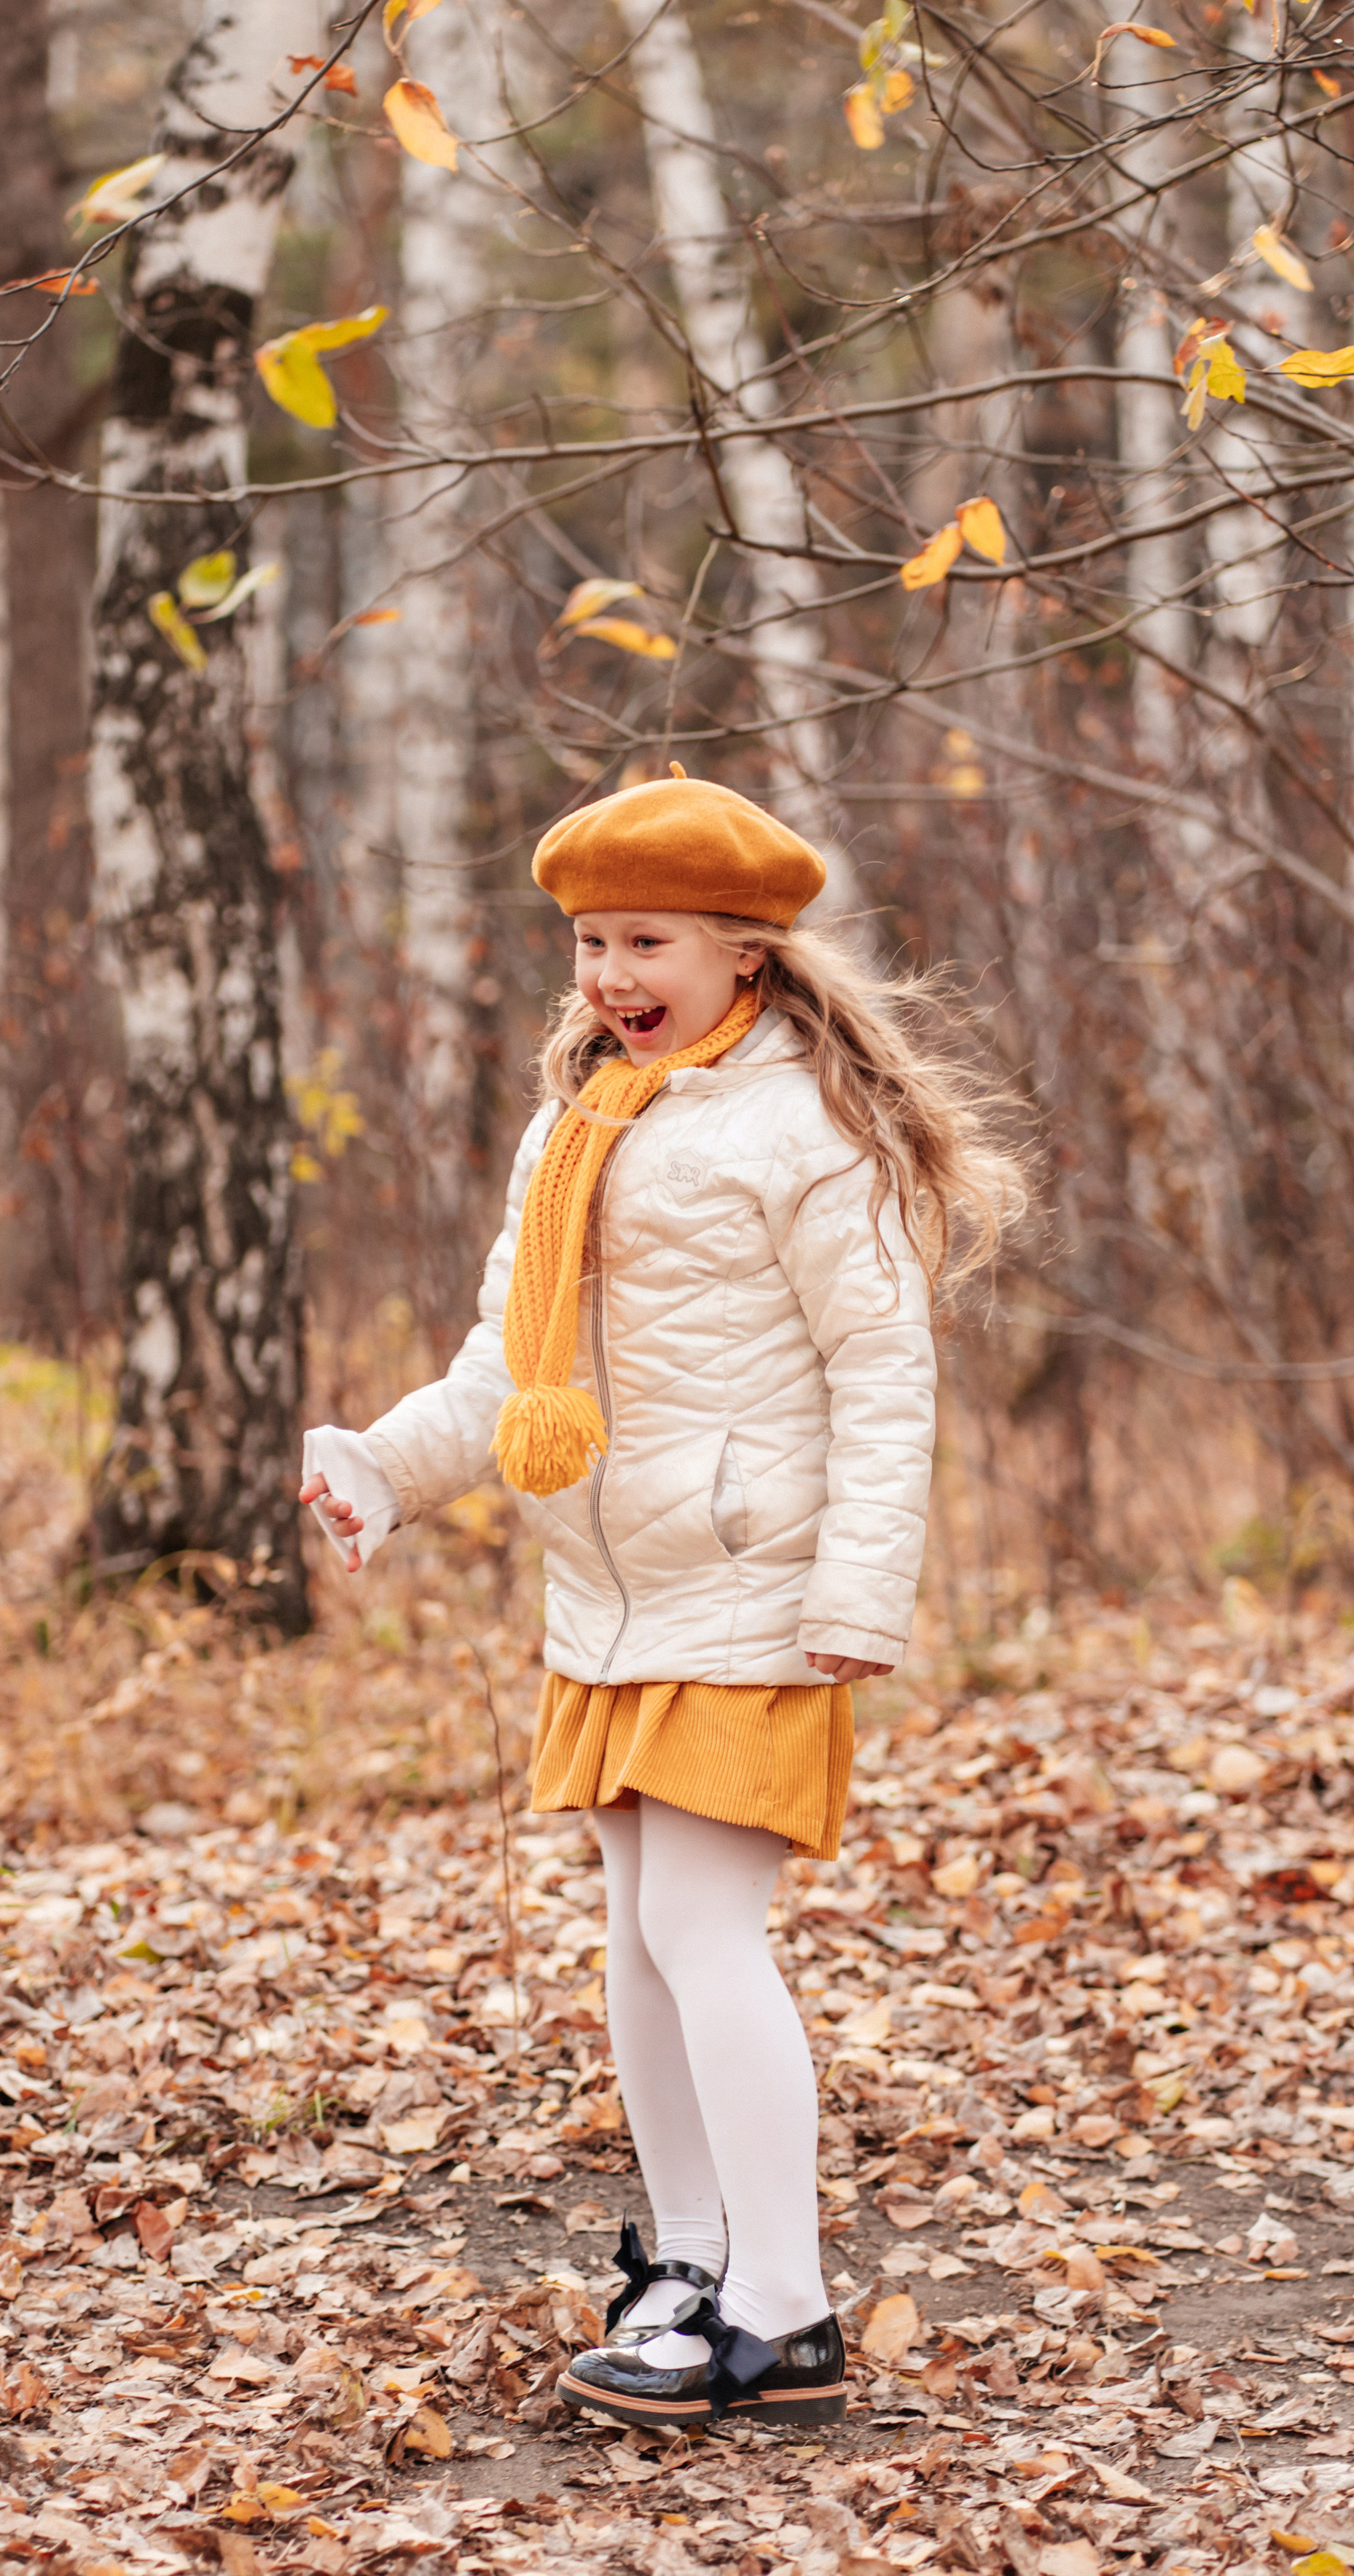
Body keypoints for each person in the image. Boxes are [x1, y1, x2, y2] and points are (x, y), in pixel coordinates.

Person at [299, 768, 1022, 2431]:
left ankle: (784, 2305)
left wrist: (858, 1585)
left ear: (744, 955)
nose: (608, 974)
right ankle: (690, 2265)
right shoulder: (579, 1126)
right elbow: (508, 1367)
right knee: (635, 1942)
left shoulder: (805, 1130)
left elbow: (881, 1369)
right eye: (586, 942)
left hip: (754, 1591)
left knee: (703, 1932)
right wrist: (387, 1469)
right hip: (611, 1599)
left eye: (647, 941)